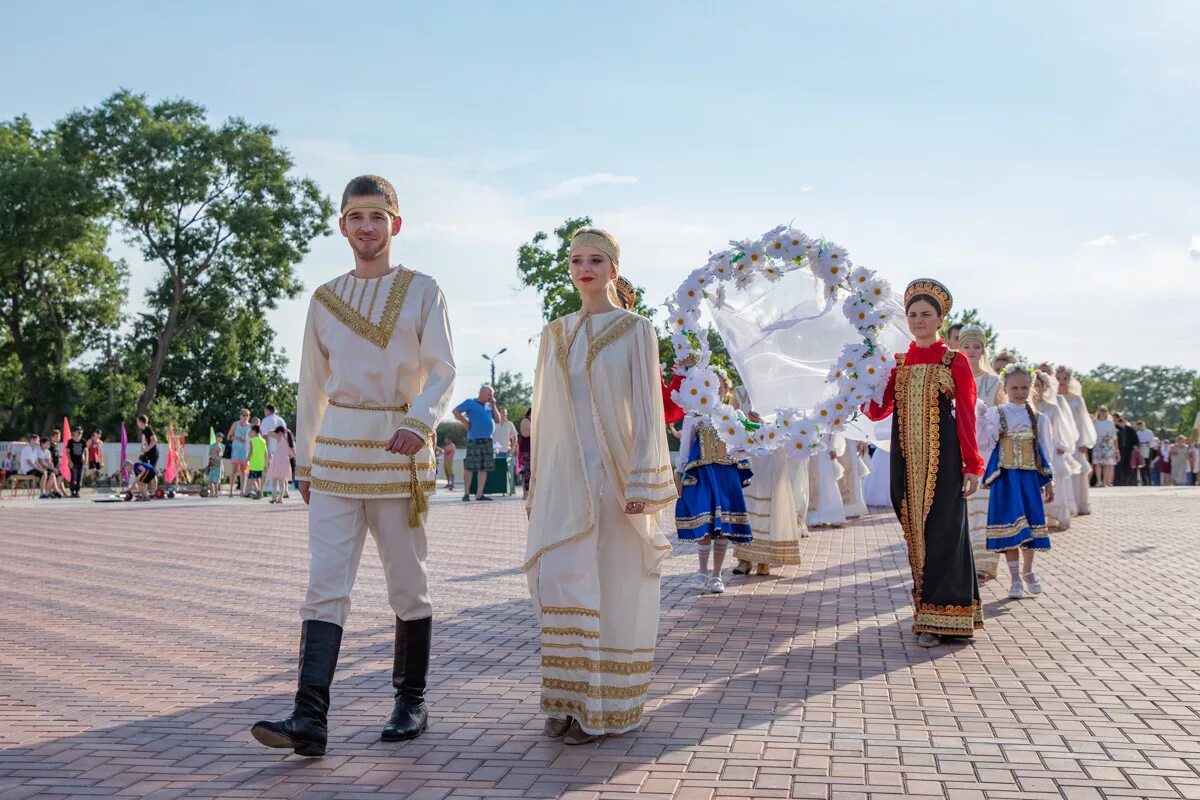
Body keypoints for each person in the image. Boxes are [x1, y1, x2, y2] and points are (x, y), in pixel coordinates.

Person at [251, 175, 455, 757]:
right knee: (324, 586)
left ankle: (410, 701)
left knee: (407, 585)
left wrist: (420, 422)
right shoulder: (323, 298)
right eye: (356, 217)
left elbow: (442, 368)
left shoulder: (423, 290)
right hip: (338, 453)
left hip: (399, 450)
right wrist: (306, 465)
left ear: (396, 223)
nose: (367, 227)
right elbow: (311, 387)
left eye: (377, 216)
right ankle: (308, 717)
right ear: (342, 226)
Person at [525, 228, 674, 744]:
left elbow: (648, 412)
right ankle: (567, 697)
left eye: (595, 260)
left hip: (614, 479)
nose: (584, 268)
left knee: (610, 583)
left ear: (614, 269)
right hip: (565, 478)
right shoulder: (555, 333)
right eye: (576, 260)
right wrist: (538, 483)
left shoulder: (637, 330)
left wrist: (643, 479)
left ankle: (606, 705)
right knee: (562, 577)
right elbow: (543, 418)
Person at [863, 278, 984, 648]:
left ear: (939, 319)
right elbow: (877, 410)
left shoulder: (954, 361)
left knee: (946, 533)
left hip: (944, 463)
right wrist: (858, 381)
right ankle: (928, 612)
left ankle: (944, 617)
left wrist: (972, 465)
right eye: (913, 314)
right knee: (917, 536)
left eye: (926, 314)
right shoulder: (898, 363)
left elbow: (965, 414)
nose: (918, 320)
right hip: (906, 463)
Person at [978, 365, 1055, 599]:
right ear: (1005, 388)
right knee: (1011, 525)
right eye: (1014, 387)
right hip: (1006, 478)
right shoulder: (996, 413)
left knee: (1030, 526)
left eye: (1024, 387)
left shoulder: (1038, 419)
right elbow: (985, 443)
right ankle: (1014, 580)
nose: (1019, 392)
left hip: (1029, 478)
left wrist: (1049, 482)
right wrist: (980, 419)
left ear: (1031, 389)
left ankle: (1028, 571)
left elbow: (1046, 451)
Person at [674, 373, 753, 594]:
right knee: (705, 522)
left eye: (719, 387)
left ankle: (717, 576)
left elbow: (746, 443)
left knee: (723, 525)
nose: (714, 391)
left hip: (726, 473)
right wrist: (679, 473)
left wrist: (753, 426)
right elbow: (684, 449)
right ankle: (702, 572)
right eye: (710, 386)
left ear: (725, 390)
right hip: (702, 473)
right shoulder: (694, 417)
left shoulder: (734, 414)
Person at [959, 324, 1002, 581]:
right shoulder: (952, 376)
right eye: (966, 346)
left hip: (985, 449)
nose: (972, 351)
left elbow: (1000, 416)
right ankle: (964, 560)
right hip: (959, 447)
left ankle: (985, 562)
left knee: (984, 505)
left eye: (976, 347)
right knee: (963, 504)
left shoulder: (993, 381)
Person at [1032, 372, 1075, 530]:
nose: (1035, 389)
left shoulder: (1053, 407)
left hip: (1052, 448)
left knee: (1053, 480)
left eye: (1038, 385)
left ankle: (1059, 517)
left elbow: (1061, 430)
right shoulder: (1027, 407)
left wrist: (1061, 445)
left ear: (1044, 387)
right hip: (1032, 450)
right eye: (1033, 385)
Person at [1055, 366, 1096, 513]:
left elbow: (1084, 421)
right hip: (1061, 440)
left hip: (1076, 440)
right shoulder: (1053, 398)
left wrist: (1084, 441)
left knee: (1077, 471)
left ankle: (1079, 504)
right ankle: (1066, 505)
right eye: (1058, 378)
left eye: (1064, 378)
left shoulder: (1077, 399)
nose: (1061, 382)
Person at [453, 386, 500, 501]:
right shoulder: (470, 402)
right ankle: (466, 494)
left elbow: (498, 419)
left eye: (492, 394)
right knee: (469, 467)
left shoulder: (490, 406)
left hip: (487, 440)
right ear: (482, 393)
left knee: (483, 468)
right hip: (474, 440)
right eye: (489, 394)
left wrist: (494, 406)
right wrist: (465, 422)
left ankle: (479, 494)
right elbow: (455, 411)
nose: (491, 397)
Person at [265, 425, 295, 504]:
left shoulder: (279, 437)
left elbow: (269, 432)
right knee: (282, 481)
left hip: (277, 460)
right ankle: (280, 498)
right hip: (285, 461)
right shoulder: (289, 441)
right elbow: (293, 454)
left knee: (274, 480)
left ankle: (274, 498)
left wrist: (277, 430)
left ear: (279, 432)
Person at [227, 409, 252, 497]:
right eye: (244, 415)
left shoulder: (250, 426)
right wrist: (236, 437)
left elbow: (252, 438)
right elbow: (229, 436)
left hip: (245, 450)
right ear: (240, 416)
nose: (245, 417)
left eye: (247, 415)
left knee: (243, 471)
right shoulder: (236, 424)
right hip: (236, 450)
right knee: (234, 470)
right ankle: (230, 491)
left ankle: (242, 491)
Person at [1092, 407, 1118, 487]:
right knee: (1097, 463)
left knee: (1107, 463)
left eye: (1104, 411)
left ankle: (1105, 481)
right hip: (1098, 443)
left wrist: (1117, 449)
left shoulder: (1110, 423)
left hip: (1108, 444)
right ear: (1098, 412)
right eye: (1101, 411)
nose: (1103, 412)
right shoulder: (1095, 422)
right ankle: (1099, 481)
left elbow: (1114, 436)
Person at [135, 415, 159, 497]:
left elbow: (155, 440)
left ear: (141, 422)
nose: (137, 423)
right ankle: (145, 493)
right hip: (146, 455)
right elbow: (145, 442)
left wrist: (147, 449)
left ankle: (154, 493)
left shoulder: (148, 429)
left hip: (152, 455)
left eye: (137, 421)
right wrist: (142, 451)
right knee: (143, 471)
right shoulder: (143, 431)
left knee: (152, 473)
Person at [245, 425, 267, 499]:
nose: (250, 433)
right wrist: (266, 462)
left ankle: (258, 491)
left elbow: (251, 452)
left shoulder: (252, 440)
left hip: (254, 463)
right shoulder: (263, 441)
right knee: (259, 478)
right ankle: (260, 491)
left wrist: (247, 459)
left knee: (253, 478)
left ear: (254, 432)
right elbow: (266, 453)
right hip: (261, 463)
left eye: (251, 432)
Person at [67, 426, 86, 497]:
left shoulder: (83, 441)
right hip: (73, 462)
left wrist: (86, 459)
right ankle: (72, 491)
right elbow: (67, 452)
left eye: (81, 433)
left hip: (80, 462)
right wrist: (70, 461)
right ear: (74, 433)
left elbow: (86, 450)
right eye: (78, 432)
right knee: (73, 477)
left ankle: (77, 491)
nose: (80, 434)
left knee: (79, 477)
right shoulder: (70, 441)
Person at [1135, 421, 1155, 486]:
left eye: (1141, 425)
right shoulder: (1137, 433)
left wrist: (1149, 444)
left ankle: (1149, 481)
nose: (1140, 427)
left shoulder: (1149, 432)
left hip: (1147, 448)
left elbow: (1152, 441)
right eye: (1139, 426)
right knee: (1141, 466)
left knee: (1147, 466)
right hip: (1141, 449)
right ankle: (1143, 481)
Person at [518, 409, 532, 499]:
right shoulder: (526, 420)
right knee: (527, 472)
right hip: (527, 450)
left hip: (534, 450)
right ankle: (525, 493)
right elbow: (525, 433)